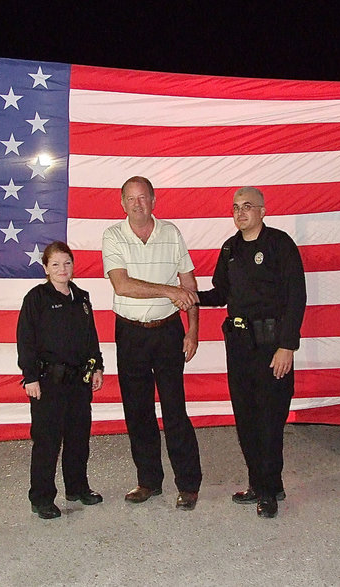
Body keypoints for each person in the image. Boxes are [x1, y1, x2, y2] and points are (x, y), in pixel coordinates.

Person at [195, 186, 306, 518]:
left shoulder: (280, 244)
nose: (240, 212)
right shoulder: (230, 249)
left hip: (273, 345)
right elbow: (220, 293)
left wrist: (287, 346)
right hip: (240, 345)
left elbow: (296, 297)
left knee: (270, 419)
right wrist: (188, 295)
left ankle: (270, 489)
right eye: (235, 207)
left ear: (262, 210)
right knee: (246, 419)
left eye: (247, 206)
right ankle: (260, 483)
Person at [101, 176, 203, 511]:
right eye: (130, 198)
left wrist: (193, 330)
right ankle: (149, 481)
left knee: (175, 409)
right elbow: (122, 285)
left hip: (168, 332)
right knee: (138, 410)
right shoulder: (113, 236)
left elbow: (189, 282)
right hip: (130, 333)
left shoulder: (171, 233)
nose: (137, 204)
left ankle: (188, 484)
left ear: (154, 200)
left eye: (143, 197)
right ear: (121, 203)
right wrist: (170, 291)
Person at [16, 241, 105, 519]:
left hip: (78, 381)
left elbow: (91, 336)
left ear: (73, 266)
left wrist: (98, 366)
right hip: (48, 382)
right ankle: (41, 498)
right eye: (55, 264)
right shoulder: (37, 298)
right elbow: (25, 340)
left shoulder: (82, 297)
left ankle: (77, 487)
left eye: (67, 263)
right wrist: (29, 376)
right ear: (45, 268)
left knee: (79, 438)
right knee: (47, 441)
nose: (62, 269)